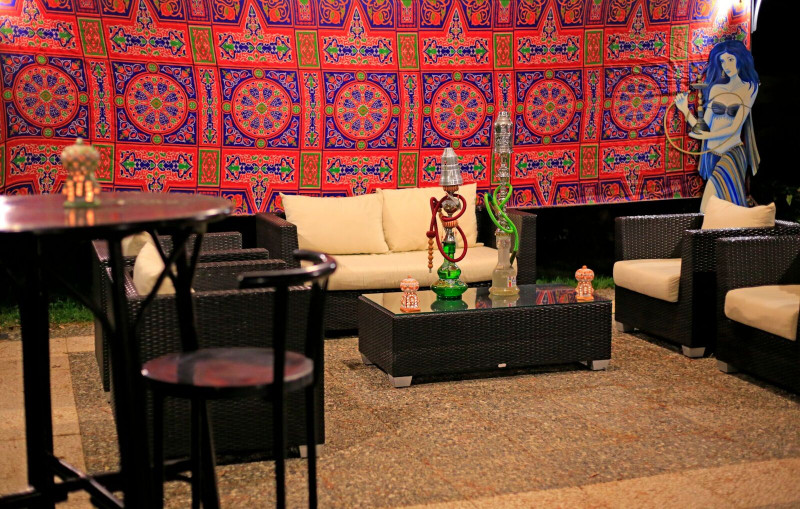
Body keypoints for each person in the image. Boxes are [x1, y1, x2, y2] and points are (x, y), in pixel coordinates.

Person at [675, 39, 760, 211]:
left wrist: (706, 135)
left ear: (740, 59)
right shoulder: (716, 89)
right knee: (723, 206)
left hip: (732, 153)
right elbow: (704, 125)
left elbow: (734, 128)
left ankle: (706, 229)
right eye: (722, 61)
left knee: (706, 206)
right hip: (712, 155)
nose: (726, 65)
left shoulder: (750, 88)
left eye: (730, 59)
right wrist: (684, 110)